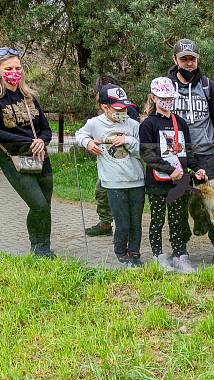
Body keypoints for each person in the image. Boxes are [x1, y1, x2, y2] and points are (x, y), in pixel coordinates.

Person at [0, 47, 54, 258]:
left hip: (39, 154)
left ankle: (44, 247)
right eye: (9, 68)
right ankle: (37, 248)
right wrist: (30, 141)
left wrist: (41, 140)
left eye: (18, 67)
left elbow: (46, 128)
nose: (15, 72)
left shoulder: (28, 95)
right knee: (37, 204)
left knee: (45, 204)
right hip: (13, 157)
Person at [168, 39, 214, 264]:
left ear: (197, 60)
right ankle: (179, 249)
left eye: (192, 58)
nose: (188, 63)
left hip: (206, 154)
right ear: (175, 60)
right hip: (177, 156)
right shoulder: (166, 86)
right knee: (178, 203)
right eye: (184, 58)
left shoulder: (207, 86)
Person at [139, 77, 206, 273]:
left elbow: (188, 152)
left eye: (170, 97)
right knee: (158, 220)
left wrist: (197, 169)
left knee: (178, 220)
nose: (167, 101)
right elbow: (147, 154)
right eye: (163, 97)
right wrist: (170, 171)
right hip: (157, 183)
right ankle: (158, 255)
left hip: (180, 183)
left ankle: (180, 254)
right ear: (153, 97)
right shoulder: (148, 124)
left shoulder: (181, 123)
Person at [75, 84, 145, 266]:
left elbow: (144, 152)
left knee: (136, 223)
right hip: (113, 183)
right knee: (123, 223)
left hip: (136, 181)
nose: (123, 111)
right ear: (105, 107)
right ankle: (120, 252)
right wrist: (87, 142)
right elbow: (79, 134)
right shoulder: (95, 123)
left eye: (125, 107)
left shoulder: (133, 125)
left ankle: (134, 252)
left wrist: (128, 140)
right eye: (118, 108)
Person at [85, 74, 141, 237]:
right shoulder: (100, 116)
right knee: (101, 191)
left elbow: (138, 140)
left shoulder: (127, 111)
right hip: (109, 164)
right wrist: (89, 142)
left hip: (127, 167)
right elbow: (85, 133)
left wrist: (128, 140)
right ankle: (105, 223)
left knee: (118, 200)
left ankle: (120, 227)